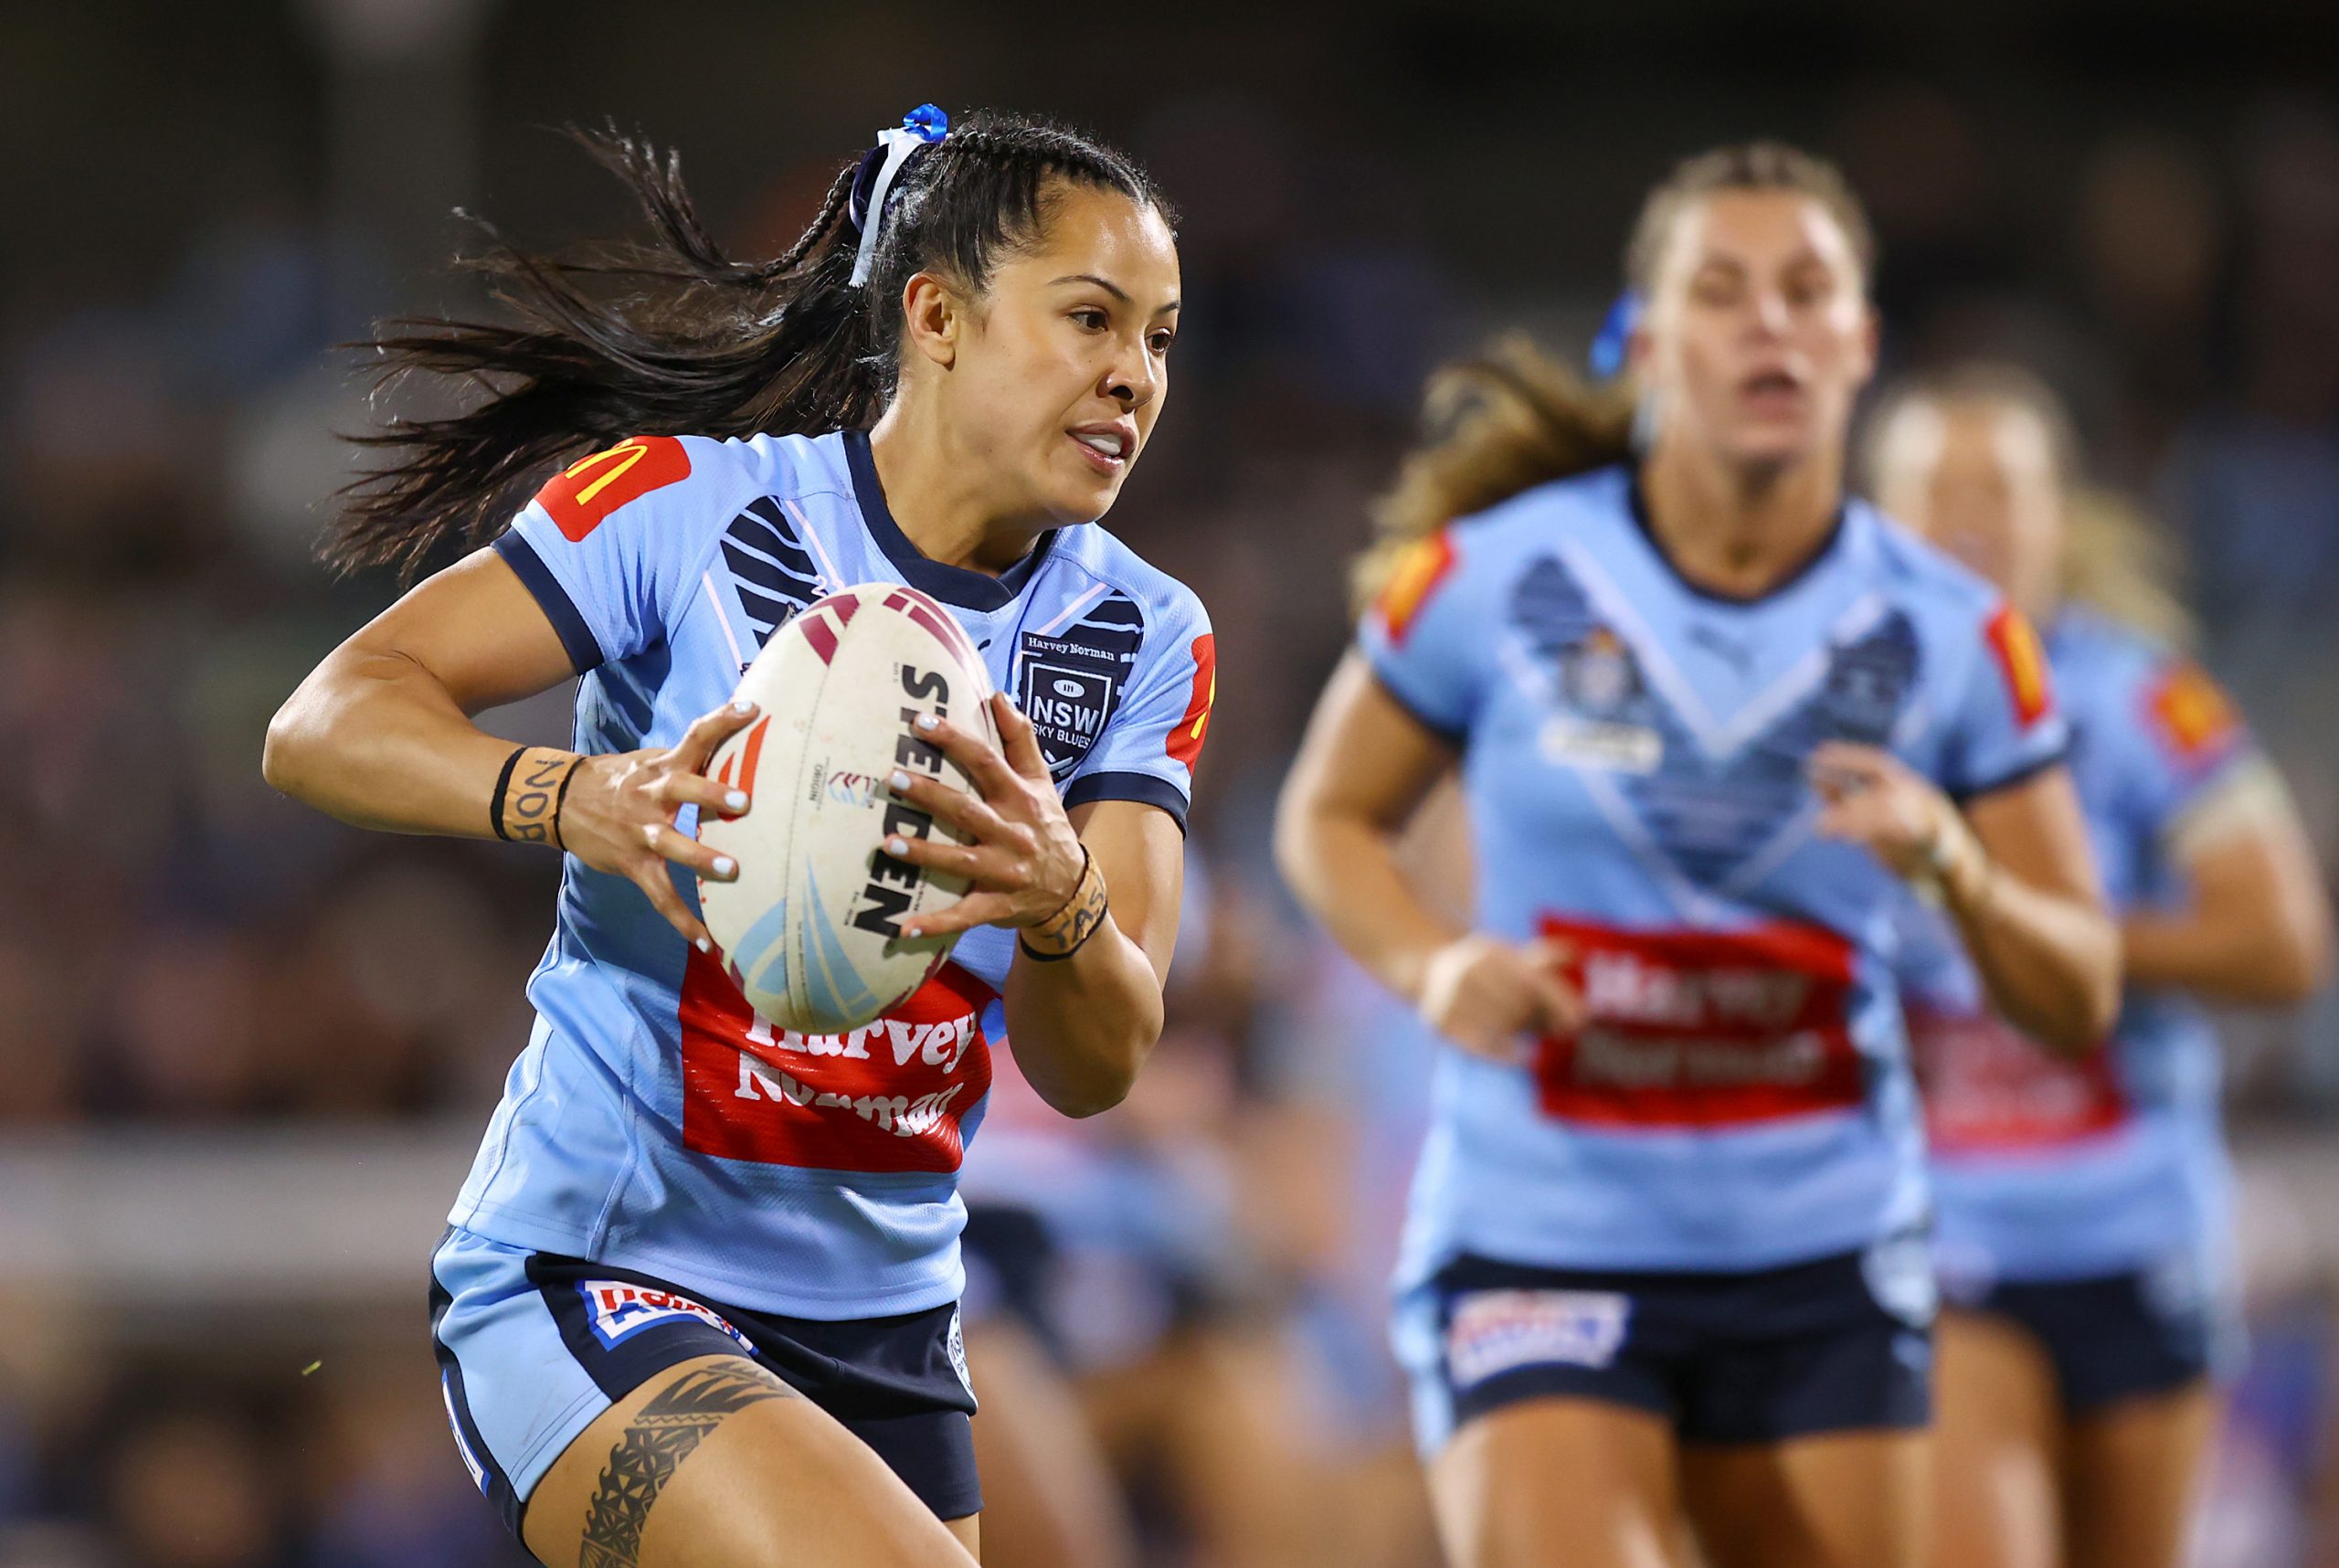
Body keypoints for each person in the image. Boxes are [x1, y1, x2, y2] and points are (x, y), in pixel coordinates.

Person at [261, 104, 1212, 1568]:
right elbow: (325, 719)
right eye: (1091, 317)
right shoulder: (684, 509)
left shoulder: (1143, 632)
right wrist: (572, 794)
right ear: (938, 315)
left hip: (889, 1327)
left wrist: (1061, 897)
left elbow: (1099, 1066)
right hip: (600, 1274)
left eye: (1157, 335)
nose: (1132, 376)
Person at [1275, 143, 2122, 1568]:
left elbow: (2081, 989)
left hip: (1823, 1261)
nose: (1771, 323)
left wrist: (1958, 874)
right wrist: (1431, 966)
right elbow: (1326, 817)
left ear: (1861, 344)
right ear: (1654, 342)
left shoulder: (1958, 634)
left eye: (1807, 291)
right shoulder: (1495, 576)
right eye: (1724, 292)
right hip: (1543, 1238)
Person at [1868, 364, 2334, 1568]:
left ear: (2057, 520)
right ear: (1877, 520)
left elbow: (2285, 945)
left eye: (2002, 490)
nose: (1970, 519)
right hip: (1945, 1234)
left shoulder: (2138, 702)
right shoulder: (1833, 715)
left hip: (2140, 1231)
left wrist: (2047, 936)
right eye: (1938, 490)